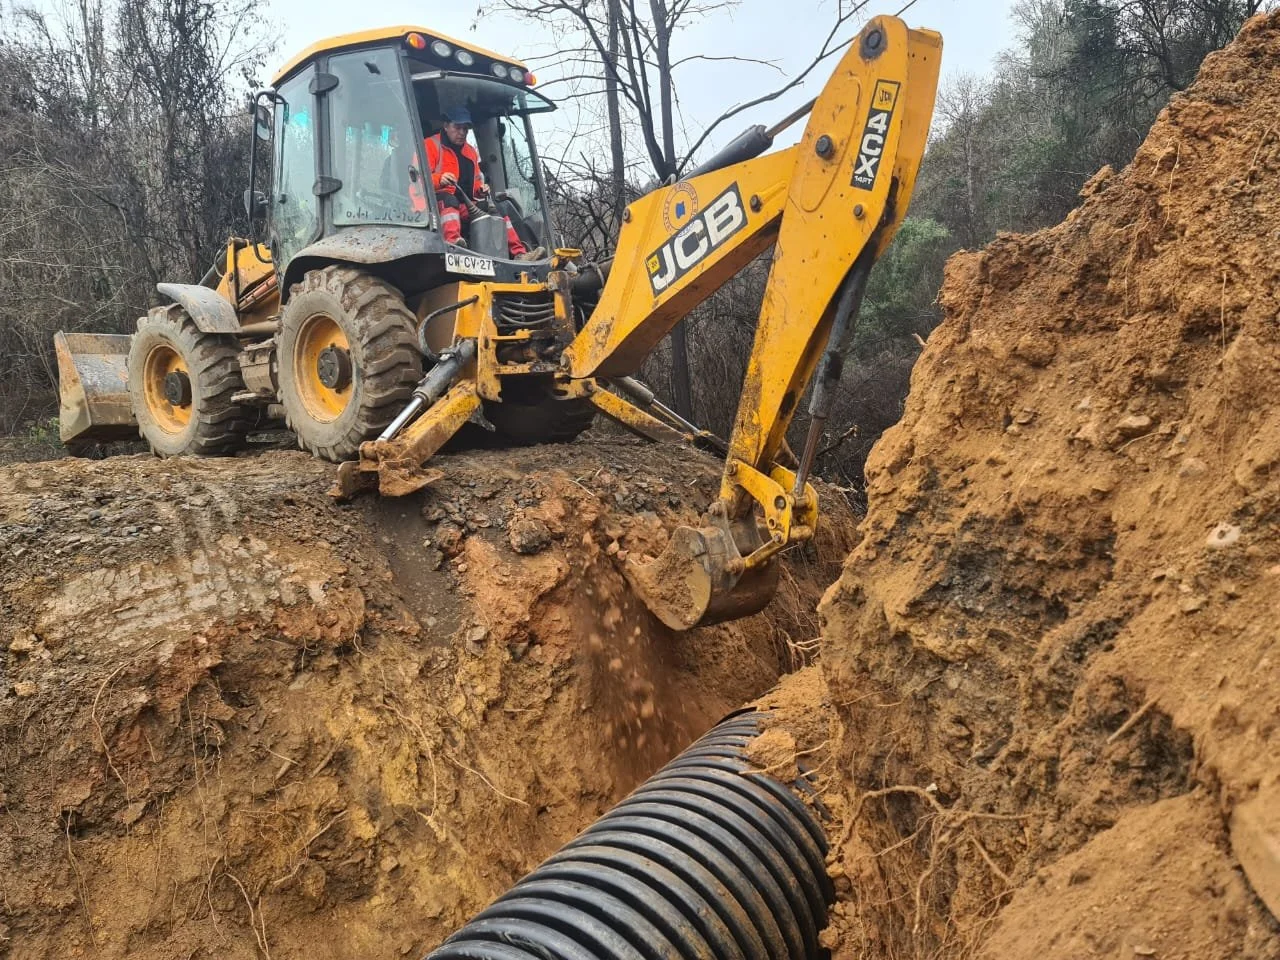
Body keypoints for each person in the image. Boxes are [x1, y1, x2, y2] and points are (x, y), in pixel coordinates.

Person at [424, 106, 543, 261]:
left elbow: (474, 185)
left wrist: (480, 191)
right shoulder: (429, 145)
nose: (462, 133)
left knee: (498, 207)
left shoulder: (470, 152)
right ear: (446, 126)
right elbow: (418, 179)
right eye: (457, 127)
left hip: (462, 206)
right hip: (431, 205)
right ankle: (452, 243)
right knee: (449, 199)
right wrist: (439, 179)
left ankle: (519, 253)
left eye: (465, 129)